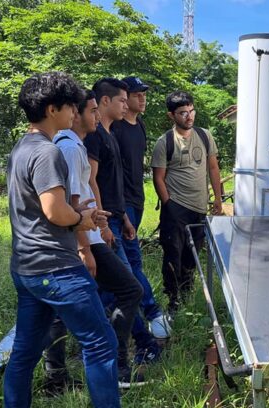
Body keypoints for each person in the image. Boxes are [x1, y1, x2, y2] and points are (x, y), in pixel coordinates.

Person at [4, 72, 120, 408]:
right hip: (57, 268)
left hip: (27, 267)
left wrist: (78, 214)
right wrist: (80, 219)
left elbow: (42, 208)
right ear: (53, 109)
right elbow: (54, 211)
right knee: (101, 343)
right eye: (71, 106)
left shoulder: (21, 148)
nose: (75, 112)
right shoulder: (47, 151)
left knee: (25, 350)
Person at [44, 89, 146, 391]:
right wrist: (84, 249)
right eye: (91, 111)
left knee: (59, 309)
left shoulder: (73, 145)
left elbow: (83, 196)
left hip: (87, 234)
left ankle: (58, 377)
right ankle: (115, 366)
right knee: (129, 290)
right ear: (74, 115)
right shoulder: (71, 149)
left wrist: (99, 219)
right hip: (80, 240)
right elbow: (71, 205)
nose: (95, 116)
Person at [84, 78, 162, 366]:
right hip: (105, 223)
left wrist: (125, 218)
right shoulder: (94, 136)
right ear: (106, 101)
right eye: (122, 99)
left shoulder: (108, 134)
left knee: (119, 286)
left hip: (119, 217)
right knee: (127, 287)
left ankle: (127, 342)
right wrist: (103, 225)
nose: (127, 102)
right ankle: (140, 344)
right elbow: (90, 181)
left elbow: (115, 185)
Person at [111, 76, 171, 340]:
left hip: (138, 200)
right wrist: (123, 211)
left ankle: (136, 316)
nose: (142, 99)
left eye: (143, 94)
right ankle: (152, 314)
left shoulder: (141, 126)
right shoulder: (115, 128)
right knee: (130, 264)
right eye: (136, 95)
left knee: (132, 262)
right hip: (121, 206)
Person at [151, 91, 223, 313]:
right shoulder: (165, 142)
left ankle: (187, 294)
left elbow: (212, 167)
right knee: (174, 253)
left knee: (193, 255)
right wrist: (169, 204)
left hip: (199, 206)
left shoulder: (204, 135)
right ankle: (173, 300)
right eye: (183, 113)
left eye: (191, 111)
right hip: (176, 207)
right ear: (171, 115)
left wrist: (218, 198)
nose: (189, 116)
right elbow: (158, 178)